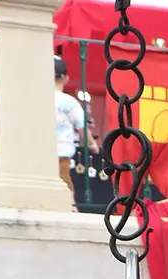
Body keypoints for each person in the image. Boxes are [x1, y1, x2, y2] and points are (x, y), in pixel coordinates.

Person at [53, 55, 98, 205]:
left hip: (39, 153)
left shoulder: (38, 99)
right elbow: (82, 128)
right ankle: (70, 207)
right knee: (65, 183)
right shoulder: (69, 102)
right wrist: (93, 145)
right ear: (65, 78)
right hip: (61, 152)